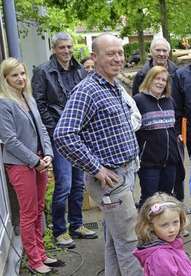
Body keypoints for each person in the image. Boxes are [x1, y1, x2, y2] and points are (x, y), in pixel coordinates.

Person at [53, 33, 143, 275]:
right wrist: (96, 167)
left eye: (120, 53)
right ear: (94, 57)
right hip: (110, 179)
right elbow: (63, 135)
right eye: (110, 53)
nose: (118, 58)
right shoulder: (87, 91)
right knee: (130, 243)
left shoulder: (113, 86)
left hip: (125, 174)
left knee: (116, 240)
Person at [31, 32, 97, 249]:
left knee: (79, 184)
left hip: (78, 136)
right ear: (54, 49)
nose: (67, 51)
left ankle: (77, 225)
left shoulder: (79, 69)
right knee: (64, 184)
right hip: (59, 137)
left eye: (69, 47)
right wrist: (56, 129)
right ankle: (60, 229)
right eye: (62, 48)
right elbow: (39, 104)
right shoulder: (43, 71)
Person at [0, 58, 65, 274]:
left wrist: (47, 153)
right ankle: (35, 261)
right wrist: (35, 161)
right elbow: (10, 140)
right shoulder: (4, 103)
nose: (20, 78)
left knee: (38, 210)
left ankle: (42, 253)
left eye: (22, 73)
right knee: (28, 213)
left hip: (39, 161)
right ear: (5, 79)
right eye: (14, 75)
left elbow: (43, 130)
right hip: (21, 165)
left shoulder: (28, 98)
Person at [133, 66, 181, 207]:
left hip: (170, 162)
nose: (160, 83)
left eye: (164, 80)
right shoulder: (138, 101)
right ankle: (145, 228)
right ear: (149, 79)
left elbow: (173, 128)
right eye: (157, 78)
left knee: (166, 199)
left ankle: (163, 228)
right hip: (149, 163)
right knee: (149, 200)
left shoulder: (169, 101)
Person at [133, 192, 191, 276]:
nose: (172, 229)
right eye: (164, 225)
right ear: (150, 226)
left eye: (175, 222)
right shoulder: (160, 257)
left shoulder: (171, 243)